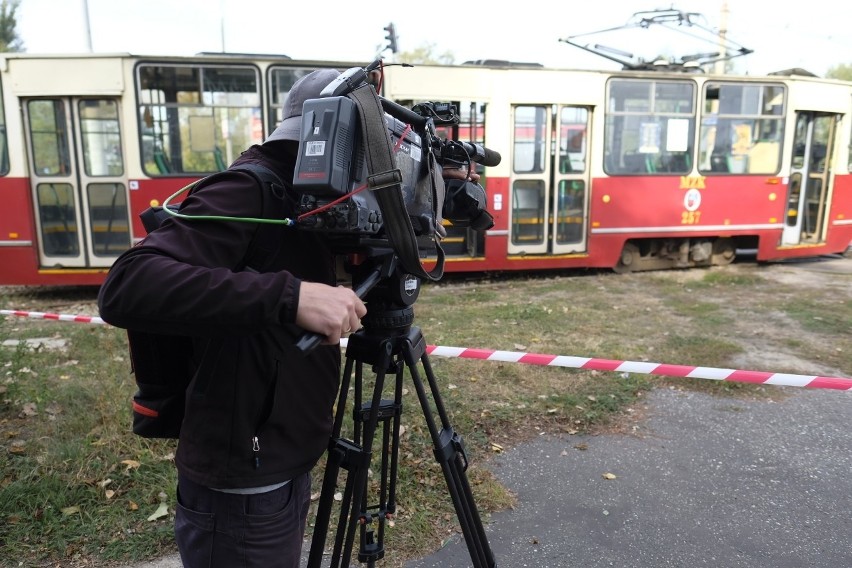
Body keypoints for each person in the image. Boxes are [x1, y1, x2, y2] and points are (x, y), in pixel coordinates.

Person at [98, 68, 367, 568]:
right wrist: (290, 296)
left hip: (282, 458)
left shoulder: (314, 198)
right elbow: (128, 284)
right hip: (245, 481)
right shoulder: (251, 189)